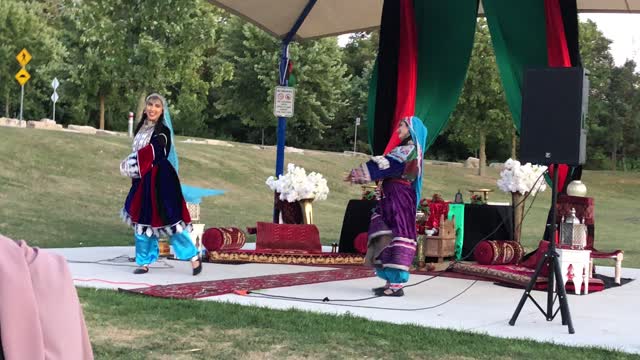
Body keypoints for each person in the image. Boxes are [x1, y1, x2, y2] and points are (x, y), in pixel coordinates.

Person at [119, 93, 202, 275]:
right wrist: (135, 169)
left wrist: (132, 163)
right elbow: (140, 152)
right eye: (150, 105)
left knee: (171, 220)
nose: (152, 109)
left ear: (162, 110)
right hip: (142, 181)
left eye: (157, 106)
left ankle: (193, 257)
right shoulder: (141, 127)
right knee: (142, 220)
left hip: (161, 181)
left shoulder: (163, 131)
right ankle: (144, 261)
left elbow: (154, 152)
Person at [345, 116, 427, 297]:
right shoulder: (405, 149)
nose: (398, 130)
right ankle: (390, 281)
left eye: (402, 126)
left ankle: (396, 285)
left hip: (399, 198)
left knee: (397, 233)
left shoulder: (410, 150)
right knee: (385, 232)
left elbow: (388, 166)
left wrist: (359, 174)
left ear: (411, 130)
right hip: (392, 197)